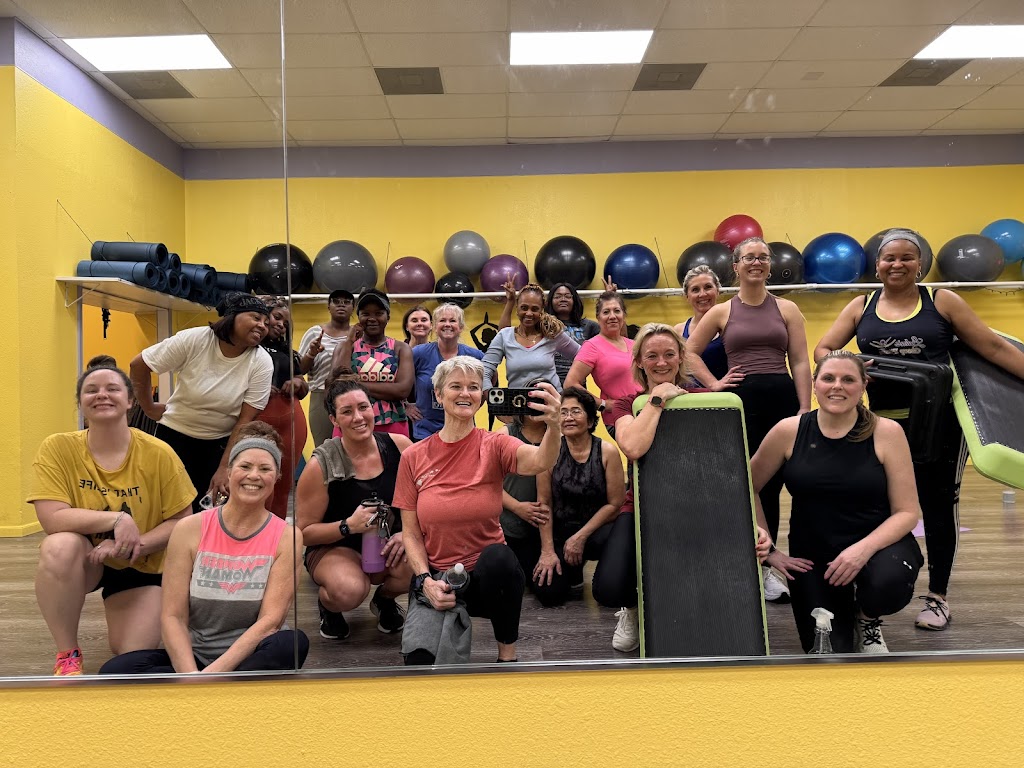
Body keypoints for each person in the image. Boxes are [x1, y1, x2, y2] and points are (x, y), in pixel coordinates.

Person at [815, 227, 1024, 631]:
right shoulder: (861, 306)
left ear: (920, 264)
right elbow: (823, 349)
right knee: (873, 505)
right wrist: (852, 364)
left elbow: (994, 347)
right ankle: (866, 585)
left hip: (939, 424)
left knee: (938, 506)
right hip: (879, 425)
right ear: (877, 264)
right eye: (889, 258)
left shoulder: (942, 301)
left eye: (906, 257)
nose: (897, 264)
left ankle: (938, 597)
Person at [28, 356, 195, 676]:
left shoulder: (159, 453)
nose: (102, 394)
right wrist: (117, 520)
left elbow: (181, 522)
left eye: (112, 389)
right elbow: (52, 519)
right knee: (58, 546)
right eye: (91, 390)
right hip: (87, 557)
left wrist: (133, 544)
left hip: (142, 563)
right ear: (80, 403)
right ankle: (67, 654)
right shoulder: (57, 448)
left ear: (130, 401)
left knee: (130, 655)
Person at [100, 422, 308, 674]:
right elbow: (173, 616)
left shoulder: (286, 536)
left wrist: (210, 678)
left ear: (276, 477)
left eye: (265, 469)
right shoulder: (189, 529)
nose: (254, 475)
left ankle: (217, 690)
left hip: (252, 656)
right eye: (245, 466)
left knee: (291, 643)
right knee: (117, 670)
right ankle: (233, 692)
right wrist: (191, 676)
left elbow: (270, 622)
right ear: (228, 472)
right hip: (197, 657)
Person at [393, 356, 562, 664]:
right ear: (438, 395)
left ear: (481, 397)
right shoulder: (413, 456)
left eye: (473, 387)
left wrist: (554, 424)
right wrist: (425, 580)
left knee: (500, 559)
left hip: (487, 580)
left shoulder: (495, 444)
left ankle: (507, 657)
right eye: (455, 386)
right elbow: (411, 533)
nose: (465, 393)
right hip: (439, 577)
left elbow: (541, 460)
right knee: (419, 662)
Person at [614, 323, 773, 651]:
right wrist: (657, 400)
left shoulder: (710, 401)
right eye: (652, 356)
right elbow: (632, 447)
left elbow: (734, 470)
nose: (661, 362)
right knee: (610, 584)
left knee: (700, 573)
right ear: (639, 361)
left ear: (681, 357)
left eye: (669, 354)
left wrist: (753, 525)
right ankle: (633, 609)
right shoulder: (626, 404)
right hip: (643, 506)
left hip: (701, 505)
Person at [752, 351, 924, 653]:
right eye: (828, 378)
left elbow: (908, 512)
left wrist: (862, 551)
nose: (837, 386)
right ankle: (844, 610)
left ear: (863, 385)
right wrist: (771, 552)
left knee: (887, 583)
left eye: (848, 379)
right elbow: (746, 486)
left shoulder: (887, 432)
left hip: (877, 545)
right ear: (815, 383)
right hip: (814, 554)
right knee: (829, 651)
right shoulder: (788, 430)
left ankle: (867, 618)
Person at [685, 237, 811, 604]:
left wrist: (805, 408)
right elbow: (688, 353)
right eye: (749, 257)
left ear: (769, 265)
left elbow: (800, 361)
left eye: (763, 257)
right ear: (736, 266)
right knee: (752, 485)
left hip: (783, 401)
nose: (756, 262)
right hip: (743, 404)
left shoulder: (788, 308)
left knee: (788, 483)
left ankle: (786, 562)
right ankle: (762, 564)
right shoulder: (722, 311)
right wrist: (714, 384)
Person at [130, 292, 273, 512]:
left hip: (219, 445)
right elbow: (139, 365)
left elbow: (245, 420)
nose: (262, 326)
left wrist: (225, 467)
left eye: (266, 322)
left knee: (206, 511)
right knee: (165, 508)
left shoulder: (261, 361)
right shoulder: (196, 339)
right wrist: (148, 407)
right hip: (174, 437)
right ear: (232, 316)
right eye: (256, 317)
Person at [294, 378, 412, 640]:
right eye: (347, 411)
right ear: (334, 420)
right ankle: (329, 606)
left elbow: (425, 499)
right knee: (349, 590)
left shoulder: (400, 446)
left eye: (363, 407)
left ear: (373, 408)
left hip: (385, 543)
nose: (358, 417)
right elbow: (304, 533)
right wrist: (348, 526)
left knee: (417, 564)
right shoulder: (320, 465)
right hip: (334, 546)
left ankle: (384, 600)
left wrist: (407, 534)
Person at [532, 388, 628, 609]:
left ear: (591, 420)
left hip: (597, 532)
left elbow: (615, 504)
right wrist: (547, 551)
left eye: (576, 411)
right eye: (563, 412)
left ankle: (605, 573)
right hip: (561, 533)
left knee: (607, 592)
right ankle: (572, 572)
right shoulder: (548, 451)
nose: (568, 417)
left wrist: (580, 537)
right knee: (548, 594)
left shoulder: (607, 451)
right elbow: (544, 503)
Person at [495, 383, 552, 602]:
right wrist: (518, 507)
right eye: (532, 401)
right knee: (506, 582)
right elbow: (486, 483)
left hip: (542, 525)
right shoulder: (505, 434)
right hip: (507, 522)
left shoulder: (558, 435)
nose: (536, 407)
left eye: (542, 402)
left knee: (545, 588)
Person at [331, 288, 413, 437]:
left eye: (378, 313)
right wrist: (349, 342)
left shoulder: (401, 348)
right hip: (351, 424)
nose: (372, 318)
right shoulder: (345, 347)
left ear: (388, 316)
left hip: (392, 423)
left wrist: (354, 383)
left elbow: (402, 390)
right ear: (358, 317)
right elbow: (337, 386)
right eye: (366, 314)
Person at [564, 291, 642, 436]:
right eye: (606, 312)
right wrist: (602, 404)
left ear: (623, 315)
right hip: (620, 418)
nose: (612, 316)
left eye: (617, 311)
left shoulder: (633, 344)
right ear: (598, 317)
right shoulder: (592, 346)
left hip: (643, 411)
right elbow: (570, 383)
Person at [260, 297, 309, 519]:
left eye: (286, 323)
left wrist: (297, 382)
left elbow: (303, 384)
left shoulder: (289, 353)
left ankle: (276, 534)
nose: (281, 325)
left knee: (282, 488)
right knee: (258, 484)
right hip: (255, 421)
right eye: (277, 317)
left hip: (290, 422)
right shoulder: (245, 348)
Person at [483, 283, 580, 391]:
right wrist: (489, 395)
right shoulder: (504, 336)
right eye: (524, 308)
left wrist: (571, 383)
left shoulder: (552, 334)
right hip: (517, 401)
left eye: (534, 309)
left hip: (551, 400)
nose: (529, 313)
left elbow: (582, 356)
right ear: (517, 308)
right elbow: (485, 370)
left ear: (542, 310)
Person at [500, 281, 598, 386]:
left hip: (575, 385)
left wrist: (609, 298)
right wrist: (510, 302)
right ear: (549, 302)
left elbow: (606, 347)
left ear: (575, 300)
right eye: (558, 296)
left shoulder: (589, 326)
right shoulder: (542, 326)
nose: (563, 299)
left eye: (567, 296)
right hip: (548, 385)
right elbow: (505, 336)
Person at [411, 303, 484, 441]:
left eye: (452, 320)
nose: (447, 324)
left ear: (461, 327)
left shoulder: (475, 356)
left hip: (463, 431)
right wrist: (405, 405)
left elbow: (489, 383)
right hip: (425, 432)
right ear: (434, 326)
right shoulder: (418, 353)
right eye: (442, 320)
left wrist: (474, 405)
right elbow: (398, 378)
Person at [299, 289, 354, 448]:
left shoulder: (358, 335)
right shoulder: (315, 333)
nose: (341, 305)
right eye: (336, 301)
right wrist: (311, 353)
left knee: (353, 447)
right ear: (328, 306)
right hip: (321, 396)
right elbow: (299, 370)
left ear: (353, 308)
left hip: (352, 395)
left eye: (347, 302)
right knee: (324, 448)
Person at [674, 265, 729, 383]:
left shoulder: (729, 326)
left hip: (727, 392)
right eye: (695, 290)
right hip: (691, 393)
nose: (702, 294)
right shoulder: (678, 331)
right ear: (687, 296)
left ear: (717, 291)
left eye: (708, 287)